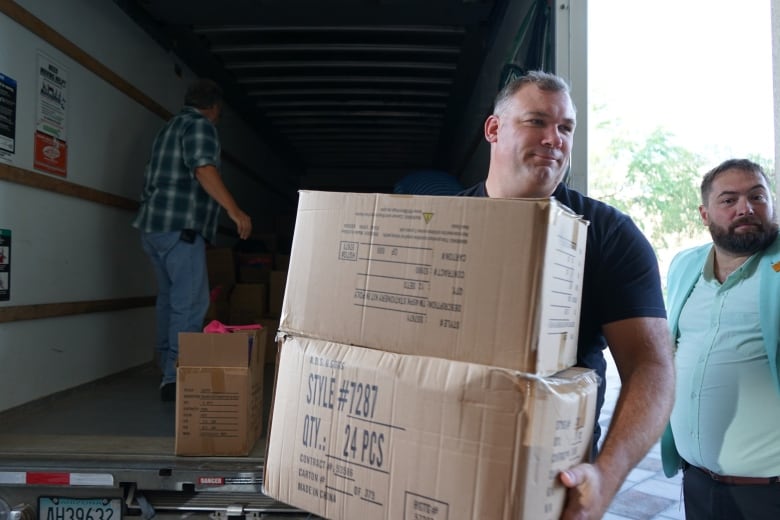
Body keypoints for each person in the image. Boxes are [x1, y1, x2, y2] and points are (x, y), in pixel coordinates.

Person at [459, 70, 675, 519]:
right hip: (447, 462)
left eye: (566, 127)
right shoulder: (445, 225)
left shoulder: (609, 235)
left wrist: (607, 475)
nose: (554, 138)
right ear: (494, 129)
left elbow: (651, 367)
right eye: (536, 121)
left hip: (556, 487)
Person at [660, 158, 780, 519]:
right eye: (729, 200)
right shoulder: (685, 265)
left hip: (768, 494)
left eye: (757, 197)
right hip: (697, 482)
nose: (746, 208)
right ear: (704, 213)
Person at [132, 79, 252, 402]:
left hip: (153, 228)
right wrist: (235, 211)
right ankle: (175, 377)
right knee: (191, 304)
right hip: (179, 229)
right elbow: (203, 169)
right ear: (213, 108)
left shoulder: (168, 128)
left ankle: (164, 364)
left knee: (169, 299)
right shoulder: (201, 127)